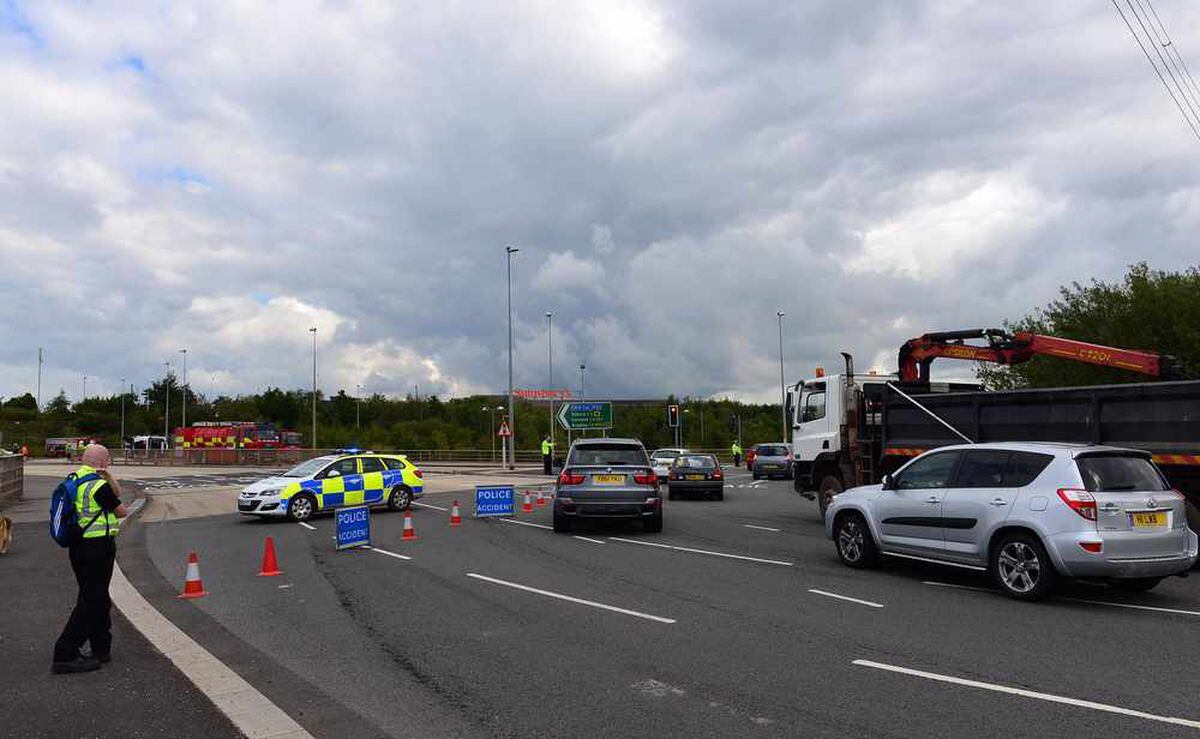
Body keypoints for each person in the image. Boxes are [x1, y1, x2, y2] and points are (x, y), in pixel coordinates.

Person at [52, 444, 128, 674]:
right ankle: (65, 652)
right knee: (92, 601)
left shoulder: (76, 478)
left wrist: (106, 475)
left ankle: (100, 647)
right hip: (96, 548)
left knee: (96, 597)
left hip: (79, 547)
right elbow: (121, 510)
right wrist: (108, 477)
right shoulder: (98, 486)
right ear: (104, 462)